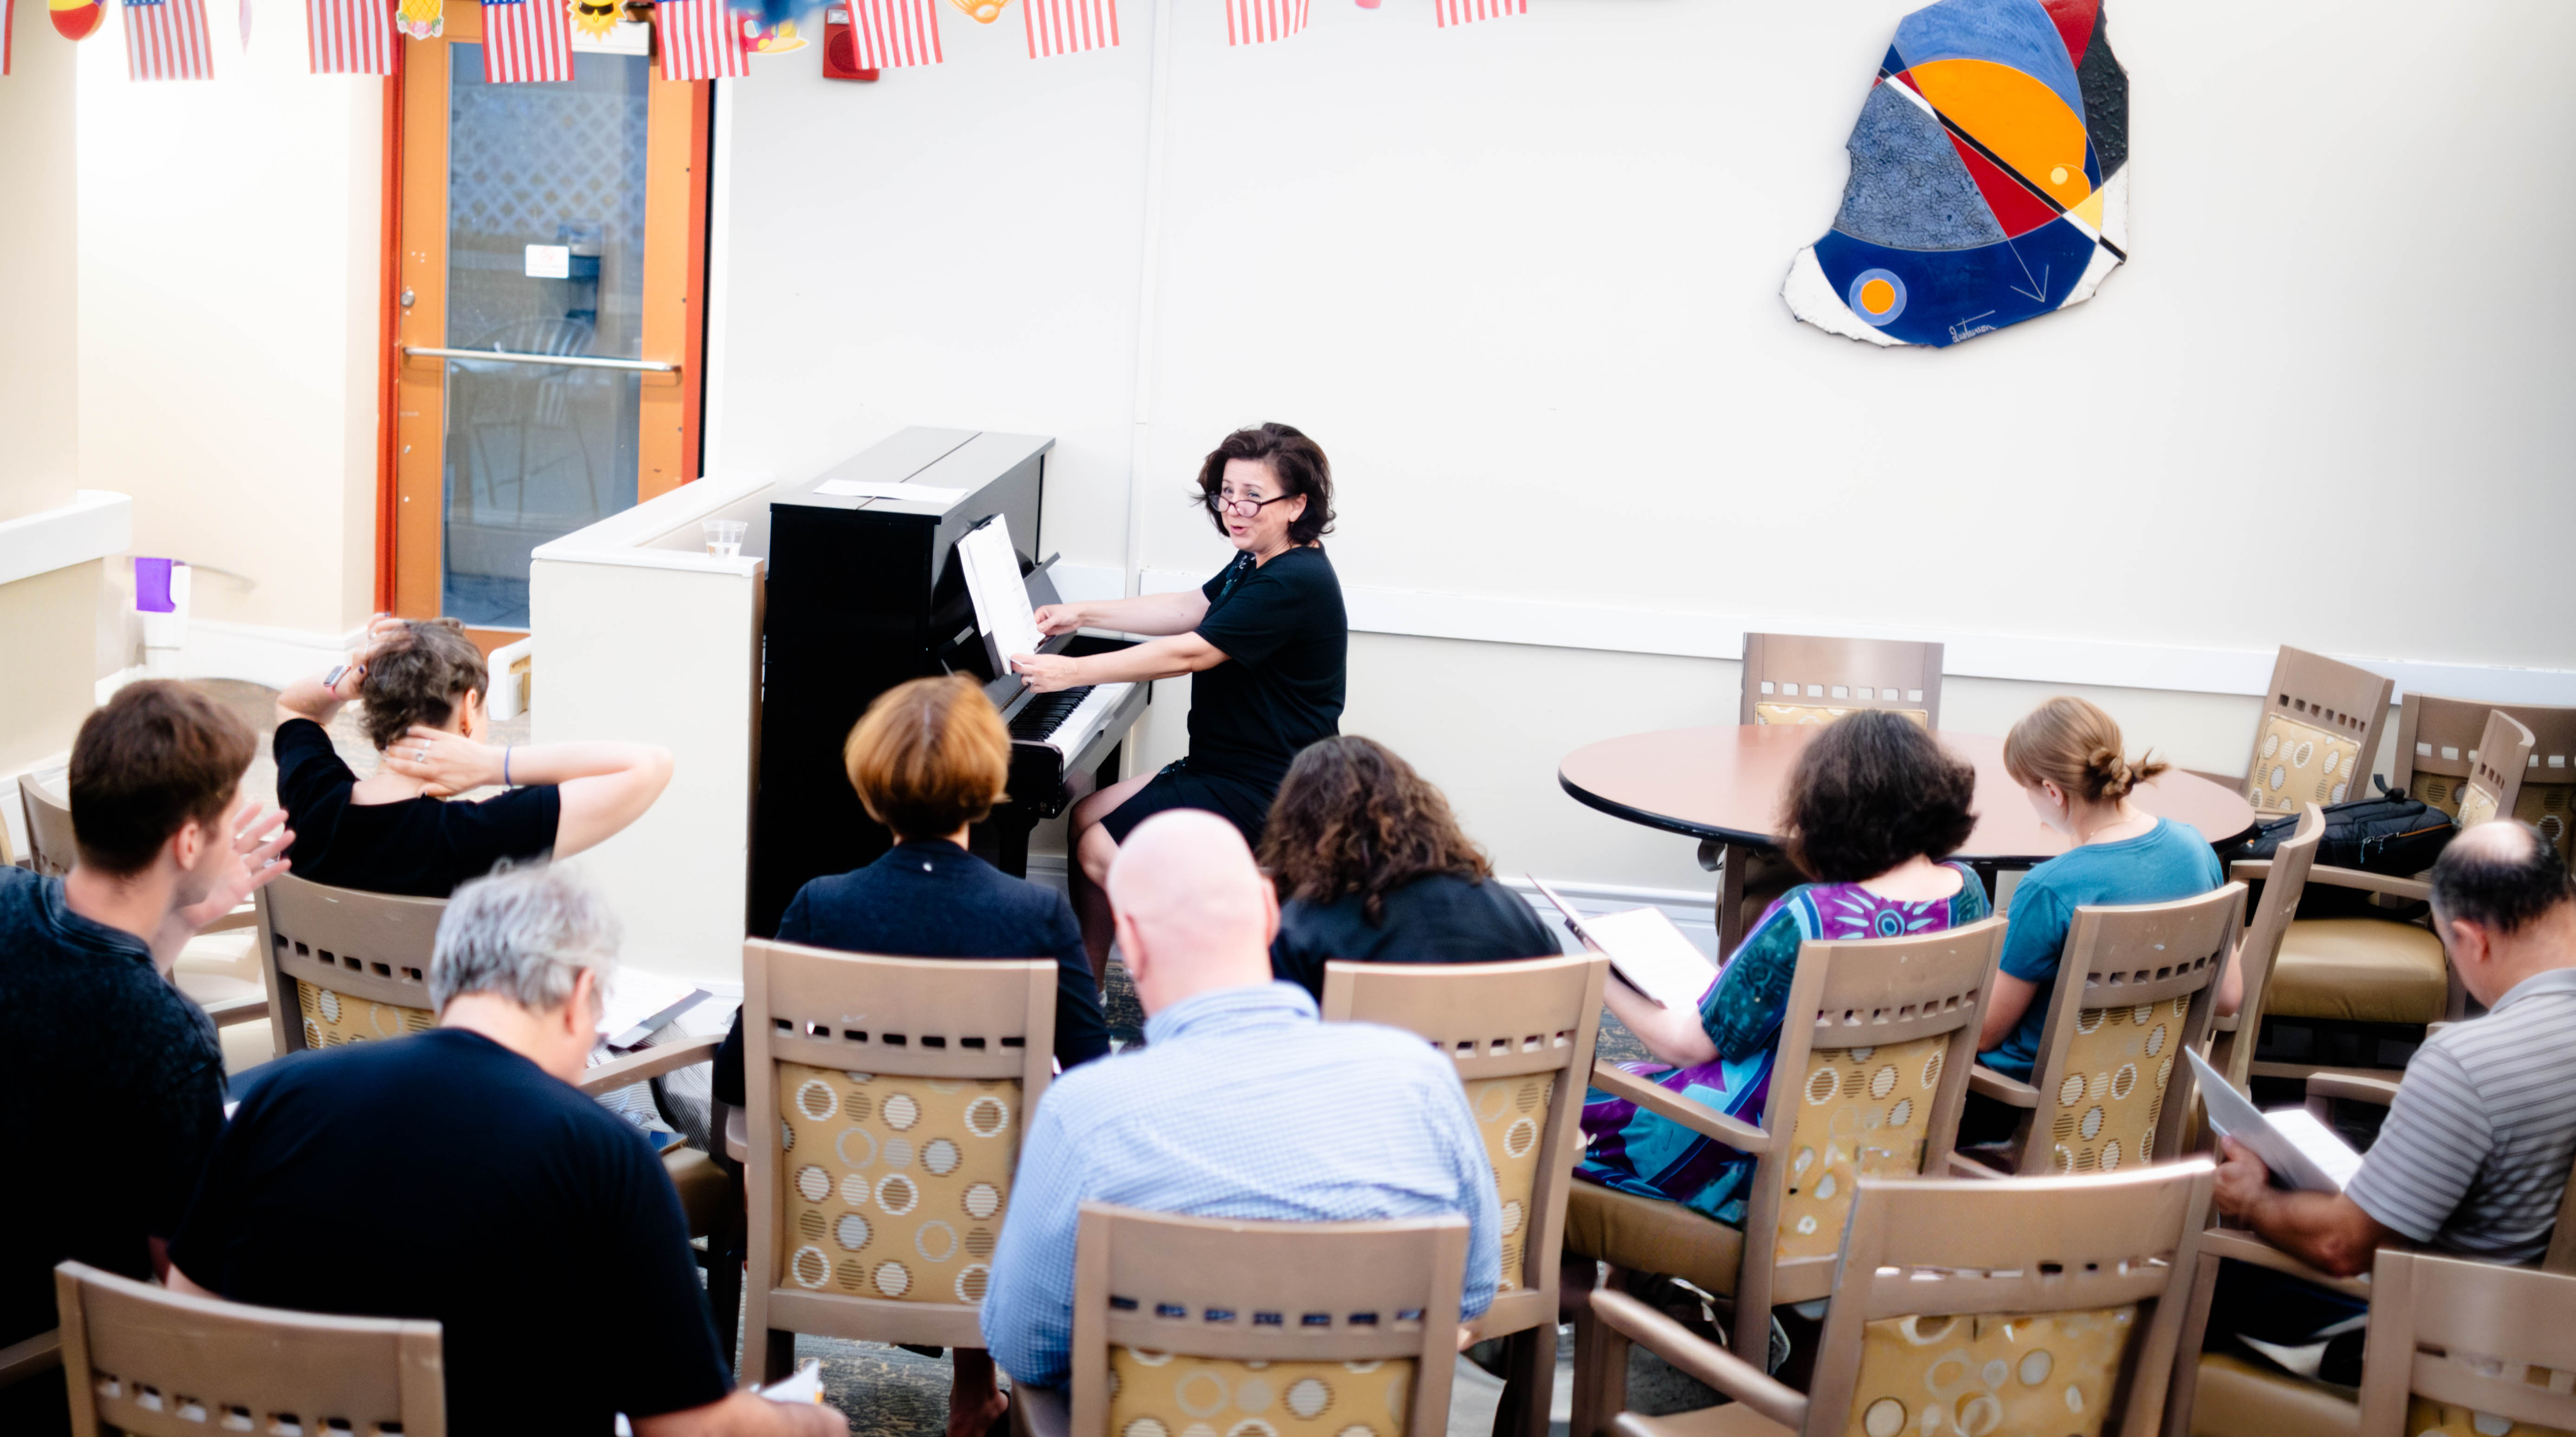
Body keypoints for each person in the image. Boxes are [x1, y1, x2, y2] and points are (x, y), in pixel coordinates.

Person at [167, 864, 845, 1437]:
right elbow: (681, 1427)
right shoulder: (602, 1157)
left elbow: (185, 1306)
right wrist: (807, 1422)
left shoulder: (280, 1097)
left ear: (445, 982)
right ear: (582, 998)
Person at [708, 675, 1110, 1437]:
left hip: (836, 1219)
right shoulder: (1036, 916)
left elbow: (736, 1073)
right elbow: (1092, 1081)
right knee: (984, 1146)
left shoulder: (821, 906)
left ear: (870, 784)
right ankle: (976, 1389)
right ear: (989, 784)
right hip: (985, 1233)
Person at [977, 810, 1501, 1393]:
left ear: (1130, 938)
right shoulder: (1421, 1078)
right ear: (1270, 911)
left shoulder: (1083, 1115)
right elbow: (1473, 1293)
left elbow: (1025, 1347)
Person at [0, 681, 291, 1435]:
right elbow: (183, 1285)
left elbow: (84, 982)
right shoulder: (171, 1042)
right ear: (188, 843)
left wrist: (180, 921)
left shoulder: (9, 900)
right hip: (52, 1358)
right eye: (228, 825)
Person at [1573, 710, 1990, 1224]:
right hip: (1882, 1141)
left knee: (1570, 1111)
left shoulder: (1809, 915)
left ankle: (1621, 1283)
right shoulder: (1967, 893)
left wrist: (1602, 972)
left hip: (1758, 1152)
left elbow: (1684, 1047)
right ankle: (1650, 1289)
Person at [2204, 820, 2576, 1382]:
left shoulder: (2468, 1061)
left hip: (2461, 1351)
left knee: (2206, 1273)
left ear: (2473, 940)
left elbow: (2340, 1247)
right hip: (2558, 1340)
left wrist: (2253, 1200)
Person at [1013, 423, 1349, 971]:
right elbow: (1192, 608)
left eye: (1253, 496)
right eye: (1227, 492)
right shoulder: (1259, 557)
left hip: (1271, 786)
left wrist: (1072, 670)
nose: (1234, 509)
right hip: (1224, 765)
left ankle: (1194, 964)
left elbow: (1192, 652)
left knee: (1099, 846)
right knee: (1086, 817)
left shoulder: (1294, 580)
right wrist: (1082, 612)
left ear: (1297, 505)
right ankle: (1086, 990)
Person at [272, 614, 673, 897]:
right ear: (469, 708)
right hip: (447, 1020)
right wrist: (493, 766)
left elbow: (296, 707)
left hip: (323, 1018)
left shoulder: (312, 799)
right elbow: (650, 765)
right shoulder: (479, 834)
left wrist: (349, 680)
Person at [1975, 698, 2223, 1085]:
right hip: (2147, 1079)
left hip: (2033, 1095)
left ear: (2052, 792)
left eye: (2027, 789)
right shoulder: (2196, 849)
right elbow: (2229, 998)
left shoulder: (2051, 888)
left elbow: (1987, 1032)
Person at [1261, 735, 1557, 998]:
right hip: (1521, 1061)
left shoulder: (1299, 932)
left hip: (1382, 1062)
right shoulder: (1515, 911)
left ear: (1298, 828)